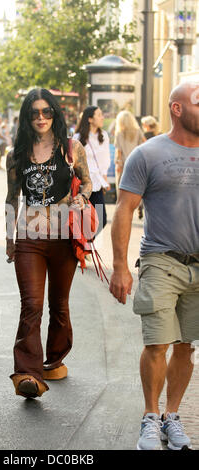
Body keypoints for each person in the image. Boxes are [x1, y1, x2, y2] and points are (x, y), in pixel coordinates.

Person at [109, 82, 199, 450]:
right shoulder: (147, 154)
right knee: (158, 342)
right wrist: (119, 266)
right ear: (177, 108)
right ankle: (150, 417)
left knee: (186, 346)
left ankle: (172, 417)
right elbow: (125, 209)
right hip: (161, 260)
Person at [5, 88, 92, 398]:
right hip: (30, 236)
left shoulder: (71, 148)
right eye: (34, 113)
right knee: (31, 304)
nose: (40, 118)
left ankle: (53, 360)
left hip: (64, 235)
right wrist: (9, 237)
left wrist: (81, 197)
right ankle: (28, 374)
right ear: (26, 118)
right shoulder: (16, 153)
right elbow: (12, 197)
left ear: (55, 114)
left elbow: (88, 182)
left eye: (46, 112)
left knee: (59, 304)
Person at [73, 105, 111, 235]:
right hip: (83, 184)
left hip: (98, 183)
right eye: (99, 115)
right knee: (83, 218)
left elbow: (106, 157)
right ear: (90, 119)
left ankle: (86, 244)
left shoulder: (104, 136)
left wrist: (105, 177)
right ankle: (82, 247)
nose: (102, 117)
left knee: (102, 219)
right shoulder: (77, 137)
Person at [114, 110, 145, 195]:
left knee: (121, 188)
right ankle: (137, 205)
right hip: (136, 163)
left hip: (123, 163)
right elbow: (144, 144)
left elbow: (118, 151)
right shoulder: (138, 131)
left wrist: (118, 163)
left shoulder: (119, 133)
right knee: (135, 187)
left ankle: (122, 206)